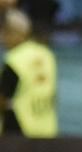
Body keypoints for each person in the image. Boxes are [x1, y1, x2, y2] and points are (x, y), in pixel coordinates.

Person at [1, 9, 57, 137]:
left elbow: (3, 97)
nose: (3, 39)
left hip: (18, 128)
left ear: (16, 33)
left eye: (5, 33)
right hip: (46, 129)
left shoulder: (15, 59)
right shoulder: (46, 53)